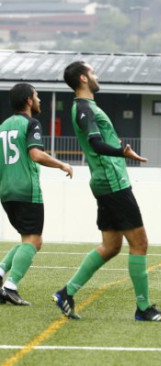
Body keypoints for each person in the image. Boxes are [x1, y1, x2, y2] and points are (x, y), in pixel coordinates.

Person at [51, 61, 161, 321]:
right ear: (84, 78)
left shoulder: (87, 106)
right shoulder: (83, 107)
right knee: (139, 243)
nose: (96, 76)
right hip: (112, 183)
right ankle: (143, 308)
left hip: (106, 181)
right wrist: (122, 152)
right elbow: (95, 143)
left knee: (111, 246)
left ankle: (66, 292)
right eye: (92, 72)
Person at [0, 83, 73, 306]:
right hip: (26, 190)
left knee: (26, 239)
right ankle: (10, 287)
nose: (40, 100)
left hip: (6, 191)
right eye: (37, 96)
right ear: (29, 101)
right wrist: (61, 164)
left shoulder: (3, 126)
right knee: (34, 240)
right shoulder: (31, 123)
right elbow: (36, 154)